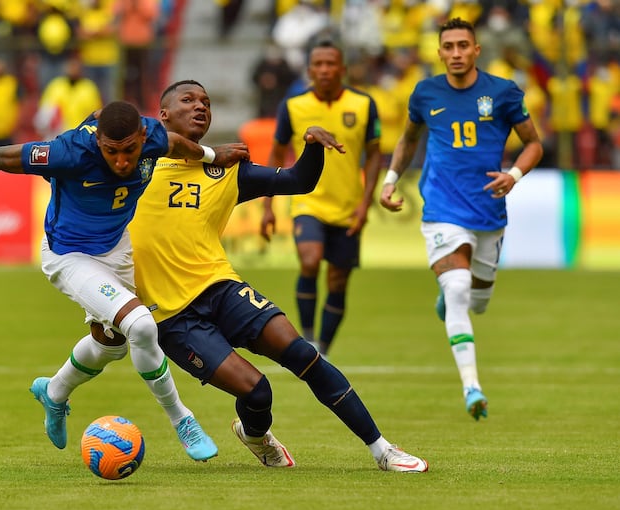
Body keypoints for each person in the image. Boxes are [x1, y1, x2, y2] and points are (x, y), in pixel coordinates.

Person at [0, 100, 250, 460]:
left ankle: (54, 393)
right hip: (69, 256)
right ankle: (182, 420)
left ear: (142, 136)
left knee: (113, 344)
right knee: (140, 325)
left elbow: (178, 145)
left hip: (117, 249)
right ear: (98, 143)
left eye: (130, 151)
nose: (122, 161)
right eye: (111, 152)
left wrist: (213, 155)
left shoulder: (154, 135)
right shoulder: (68, 153)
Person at [129, 79, 428, 473]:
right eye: (188, 100)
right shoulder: (134, 165)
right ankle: (256, 436)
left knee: (305, 354)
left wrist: (313, 148)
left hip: (220, 287)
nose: (201, 106)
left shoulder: (228, 169)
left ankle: (383, 450)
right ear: (162, 115)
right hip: (171, 316)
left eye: (206, 101)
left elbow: (298, 180)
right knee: (257, 391)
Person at [379, 18, 544, 421]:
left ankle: (453, 298)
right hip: (441, 208)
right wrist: (390, 180)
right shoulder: (425, 93)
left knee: (479, 301)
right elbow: (408, 139)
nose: (455, 53)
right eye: (448, 46)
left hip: (488, 210)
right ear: (439, 52)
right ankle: (472, 386)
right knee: (457, 288)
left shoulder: (503, 94)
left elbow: (534, 144)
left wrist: (514, 175)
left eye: (462, 46)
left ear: (476, 50)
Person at [260, 39, 383, 357]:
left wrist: (365, 203)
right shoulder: (293, 106)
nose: (325, 70)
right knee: (311, 261)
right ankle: (308, 339)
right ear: (310, 69)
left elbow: (373, 155)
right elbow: (276, 153)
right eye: (319, 64)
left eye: (331, 64)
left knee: (339, 280)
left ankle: (323, 350)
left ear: (342, 69)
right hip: (308, 202)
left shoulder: (364, 104)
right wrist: (268, 205)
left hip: (347, 206)